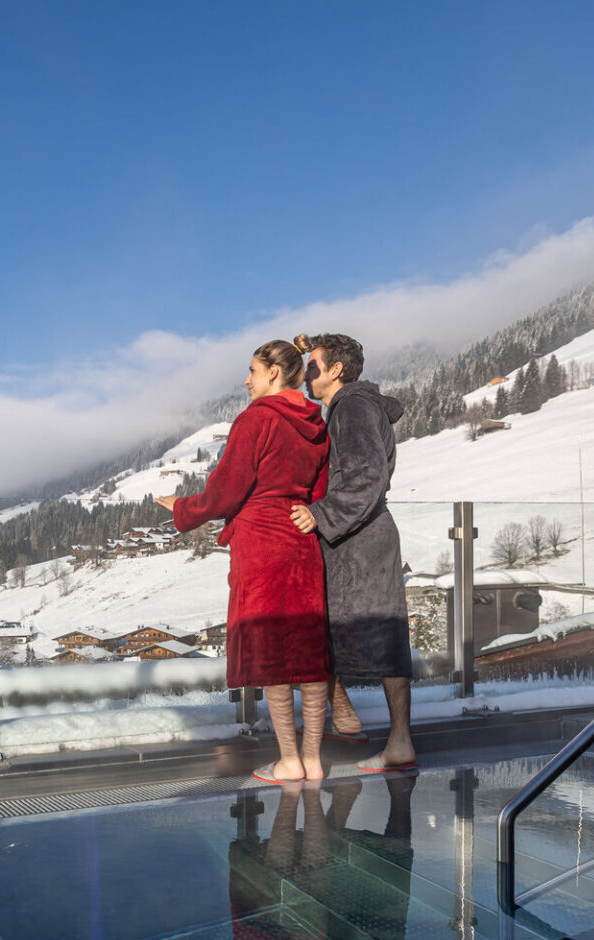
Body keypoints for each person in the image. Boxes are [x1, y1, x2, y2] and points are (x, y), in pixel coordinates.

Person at [160, 340, 331, 784]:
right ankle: (313, 758)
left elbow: (225, 492)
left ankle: (289, 760)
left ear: (274, 373)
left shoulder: (257, 419)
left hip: (262, 544)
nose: (246, 379)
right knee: (310, 652)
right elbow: (320, 492)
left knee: (273, 652)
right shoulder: (316, 424)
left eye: (252, 370)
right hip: (302, 541)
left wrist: (181, 509)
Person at [290, 333, 416, 772]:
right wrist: (307, 344)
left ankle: (393, 739)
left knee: (379, 632)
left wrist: (320, 515)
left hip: (359, 538)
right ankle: (352, 720)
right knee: (375, 630)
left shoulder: (353, 408)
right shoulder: (351, 406)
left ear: (336, 371)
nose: (307, 374)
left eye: (313, 366)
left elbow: (368, 476)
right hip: (363, 536)